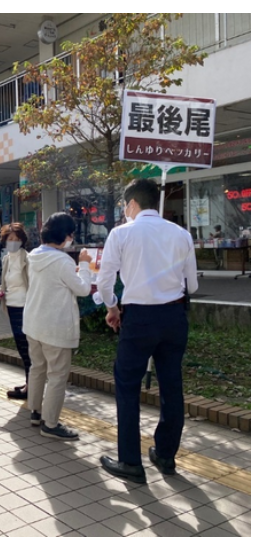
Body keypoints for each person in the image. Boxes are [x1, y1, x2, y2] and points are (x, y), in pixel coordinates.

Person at [97, 179, 198, 484]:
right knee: (171, 386)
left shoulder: (122, 233)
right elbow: (192, 285)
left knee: (127, 387)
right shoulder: (181, 234)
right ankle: (166, 455)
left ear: (132, 204)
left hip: (139, 318)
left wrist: (112, 307)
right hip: (174, 316)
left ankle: (130, 462)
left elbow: (104, 282)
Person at [23, 212, 92, 441]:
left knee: (37, 368)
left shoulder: (33, 255)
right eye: (71, 234)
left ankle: (35, 411)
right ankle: (50, 424)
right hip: (55, 326)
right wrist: (83, 264)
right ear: (65, 235)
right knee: (57, 376)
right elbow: (83, 289)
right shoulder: (62, 261)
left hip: (33, 323)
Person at [0, 223, 32, 400]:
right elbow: (5, 283)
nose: (14, 242)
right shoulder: (6, 258)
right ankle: (29, 383)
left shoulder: (28, 259)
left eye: (17, 239)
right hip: (12, 306)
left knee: (28, 348)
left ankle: (31, 388)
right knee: (21, 347)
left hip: (26, 307)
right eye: (10, 239)